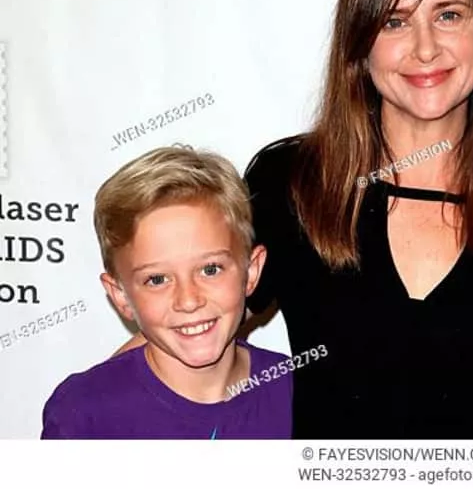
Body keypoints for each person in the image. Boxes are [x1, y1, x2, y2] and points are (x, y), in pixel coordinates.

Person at [116, 0, 473, 438]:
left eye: (448, 15)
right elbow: (186, 324)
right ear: (360, 44)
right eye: (394, 22)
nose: (426, 47)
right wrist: (92, 410)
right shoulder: (292, 182)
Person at [42, 147, 292, 439]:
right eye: (157, 279)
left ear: (251, 271)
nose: (189, 300)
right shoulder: (84, 414)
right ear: (120, 295)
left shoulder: (295, 393)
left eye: (210, 269)